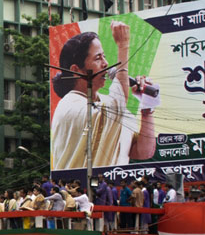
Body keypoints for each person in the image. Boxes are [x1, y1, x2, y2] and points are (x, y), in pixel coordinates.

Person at [50, 21, 156, 170]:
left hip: (111, 189)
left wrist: (147, 109)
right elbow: (118, 103)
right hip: (79, 191)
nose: (106, 63)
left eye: (104, 57)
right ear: (76, 70)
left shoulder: (107, 104)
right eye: (98, 58)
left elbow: (142, 151)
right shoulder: (70, 106)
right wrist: (123, 46)